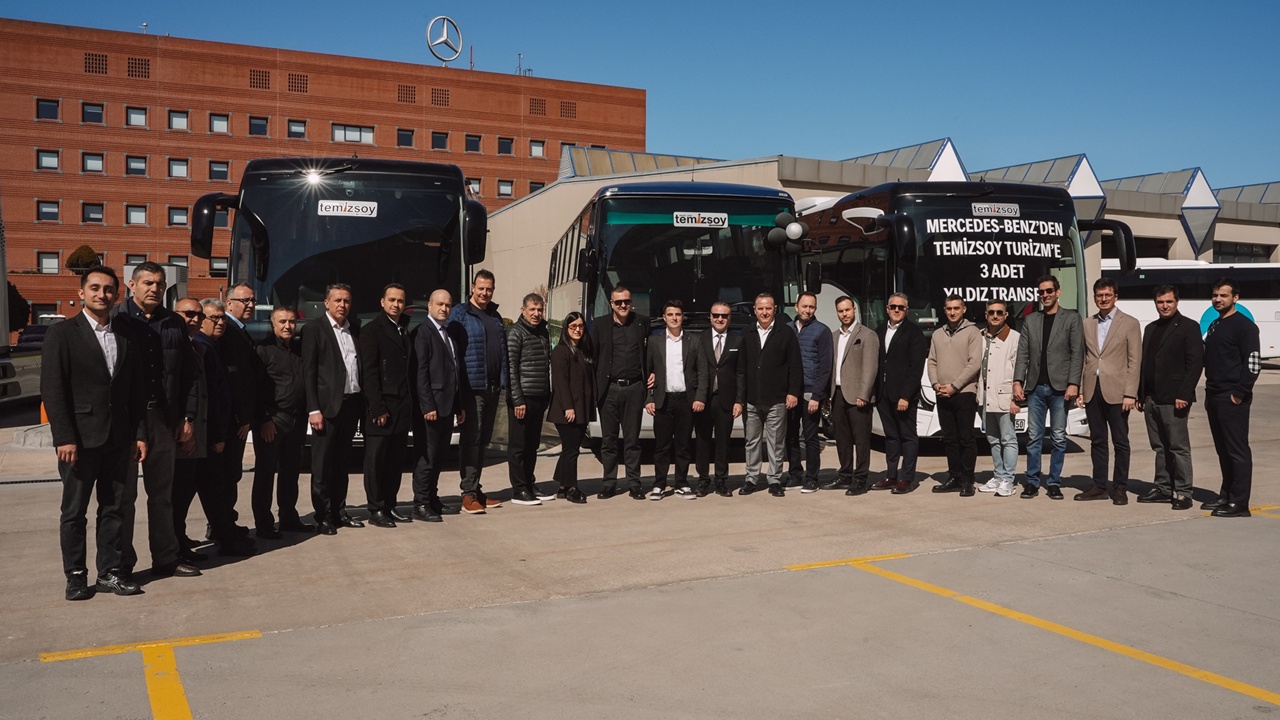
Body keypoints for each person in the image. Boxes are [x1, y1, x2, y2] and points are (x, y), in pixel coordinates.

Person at [42, 266, 148, 600]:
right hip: (79, 440)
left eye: (108, 289)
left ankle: (110, 573)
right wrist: (64, 437)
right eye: (95, 288)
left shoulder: (126, 335)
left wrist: (139, 434)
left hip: (119, 438)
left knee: (114, 509)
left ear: (117, 295)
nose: (102, 294)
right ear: (81, 293)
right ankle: (75, 575)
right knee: (74, 513)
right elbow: (53, 389)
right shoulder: (62, 334)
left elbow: (135, 391)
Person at [112, 262, 199, 579]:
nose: (154, 288)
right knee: (124, 497)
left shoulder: (173, 323)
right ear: (132, 285)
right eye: (148, 282)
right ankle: (122, 563)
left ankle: (166, 558)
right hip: (126, 419)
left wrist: (187, 416)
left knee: (162, 494)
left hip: (163, 417)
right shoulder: (116, 320)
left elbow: (190, 373)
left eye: (160, 284)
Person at [173, 299, 246, 559]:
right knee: (185, 494)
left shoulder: (204, 347)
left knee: (212, 489)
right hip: (191, 436)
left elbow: (216, 393)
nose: (194, 319)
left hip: (207, 433)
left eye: (198, 315)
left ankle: (224, 538)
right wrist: (209, 433)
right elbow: (200, 395)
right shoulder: (188, 347)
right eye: (188, 314)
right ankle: (181, 546)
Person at [1012, 275, 1083, 500]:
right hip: (1035, 388)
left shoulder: (1071, 318)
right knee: (1034, 437)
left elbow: (1077, 353)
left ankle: (1053, 482)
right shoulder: (1031, 320)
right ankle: (1032, 482)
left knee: (1059, 438)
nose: (1045, 295)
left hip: (1061, 388)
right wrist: (1017, 381)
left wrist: (1074, 383)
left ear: (1058, 292)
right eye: (1041, 292)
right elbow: (1023, 353)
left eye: (1049, 291)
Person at [303, 283, 365, 535]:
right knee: (322, 465)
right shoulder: (313, 330)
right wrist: (313, 409)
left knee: (342, 463)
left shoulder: (355, 329)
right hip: (326, 409)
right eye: (338, 300)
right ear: (326, 303)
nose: (342, 305)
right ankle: (323, 515)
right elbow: (309, 372)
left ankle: (339, 511)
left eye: (347, 301)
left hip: (350, 405)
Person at [1135, 285, 1203, 511]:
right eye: (1160, 302)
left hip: (1174, 399)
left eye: (1169, 301)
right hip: (1151, 398)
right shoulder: (1151, 328)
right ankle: (1163, 488)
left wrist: (1184, 394)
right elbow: (1145, 363)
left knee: (1178, 447)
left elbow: (1195, 363)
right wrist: (1141, 394)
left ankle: (1183, 492)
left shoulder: (1189, 327)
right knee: (1159, 447)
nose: (1164, 306)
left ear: (1177, 302)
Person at [1075, 278, 1142, 505]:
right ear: (1095, 298)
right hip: (1092, 390)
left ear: (1115, 297)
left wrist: (1130, 393)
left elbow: (1135, 361)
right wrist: (1081, 390)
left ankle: (1120, 487)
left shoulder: (1130, 323)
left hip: (1118, 392)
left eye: (1107, 295)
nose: (1103, 299)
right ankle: (1099, 485)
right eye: (1099, 295)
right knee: (1097, 440)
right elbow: (1084, 358)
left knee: (1120, 441)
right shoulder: (1088, 323)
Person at [251, 307, 314, 537]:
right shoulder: (263, 350)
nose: (288, 326)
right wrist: (264, 420)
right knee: (266, 473)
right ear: (273, 323)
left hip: (297, 419)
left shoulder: (299, 349)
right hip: (273, 420)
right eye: (282, 322)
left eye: (292, 321)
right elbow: (255, 389)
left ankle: (288, 517)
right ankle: (264, 524)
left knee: (290, 472)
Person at [357, 284, 416, 528]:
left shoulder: (404, 330)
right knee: (376, 461)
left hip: (402, 406)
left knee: (395, 460)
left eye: (400, 301)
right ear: (382, 302)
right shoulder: (371, 331)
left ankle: (390, 505)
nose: (396, 304)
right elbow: (369, 373)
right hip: (382, 408)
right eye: (392, 300)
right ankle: (376, 509)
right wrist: (377, 407)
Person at [1202, 278, 1261, 518]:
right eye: (1215, 295)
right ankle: (1226, 495)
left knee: (1237, 451)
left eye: (1223, 295)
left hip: (1232, 397)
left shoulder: (1245, 327)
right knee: (1223, 450)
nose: (1218, 299)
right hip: (1214, 394)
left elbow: (1253, 363)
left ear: (1235, 298)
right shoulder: (1215, 325)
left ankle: (1240, 502)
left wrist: (1240, 393)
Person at [449, 269, 507, 514]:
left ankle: (476, 488)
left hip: (492, 388)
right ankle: (468, 493)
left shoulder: (495, 315)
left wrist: (504, 381)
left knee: (483, 441)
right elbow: (453, 352)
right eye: (481, 288)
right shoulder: (460, 314)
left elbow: (502, 351)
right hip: (472, 388)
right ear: (472, 287)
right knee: (471, 440)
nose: (485, 293)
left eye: (489, 289)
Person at [736, 293, 802, 497]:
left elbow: (795, 366)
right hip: (752, 400)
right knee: (752, 441)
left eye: (768, 308)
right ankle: (751, 478)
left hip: (777, 399)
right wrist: (740, 398)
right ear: (754, 310)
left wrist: (793, 392)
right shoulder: (747, 332)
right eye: (760, 308)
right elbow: (741, 368)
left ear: (775, 309)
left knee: (776, 443)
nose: (764, 312)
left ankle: (774, 480)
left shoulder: (786, 333)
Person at [589, 286, 650, 500]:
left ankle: (634, 484)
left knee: (632, 441)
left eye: (627, 301)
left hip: (634, 389)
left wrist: (651, 375)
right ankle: (609, 483)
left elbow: (649, 353)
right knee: (609, 441)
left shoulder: (642, 323)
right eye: (618, 302)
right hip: (609, 390)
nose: (623, 305)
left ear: (631, 302)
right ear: (611, 304)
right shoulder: (600, 325)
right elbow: (593, 358)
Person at [646, 299, 708, 499]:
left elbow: (703, 371)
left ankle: (682, 482)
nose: (674, 318)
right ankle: (659, 484)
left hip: (686, 401)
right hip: (663, 400)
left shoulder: (694, 341)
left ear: (683, 317)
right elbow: (646, 371)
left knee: (683, 445)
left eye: (678, 314)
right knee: (661, 446)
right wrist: (648, 398)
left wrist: (700, 397)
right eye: (670, 314)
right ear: (664, 318)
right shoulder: (654, 341)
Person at [218, 282, 268, 532]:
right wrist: (241, 417)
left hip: (239, 418)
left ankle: (227, 522)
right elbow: (232, 380)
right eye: (244, 300)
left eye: (252, 301)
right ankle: (223, 525)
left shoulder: (240, 330)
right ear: (228, 303)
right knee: (227, 474)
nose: (250, 305)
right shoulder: (227, 330)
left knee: (232, 473)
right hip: (232, 420)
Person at [413, 289, 466, 521]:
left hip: (447, 405)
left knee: (439, 457)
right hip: (432, 408)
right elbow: (421, 372)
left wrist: (458, 405)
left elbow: (454, 372)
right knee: (427, 457)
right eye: (440, 304)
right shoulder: (423, 333)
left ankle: (432, 499)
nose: (444, 308)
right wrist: (427, 406)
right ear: (429, 306)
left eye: (448, 305)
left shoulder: (448, 333)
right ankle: (421, 503)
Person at [871, 293, 928, 494]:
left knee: (908, 437)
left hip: (904, 397)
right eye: (893, 307)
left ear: (907, 310)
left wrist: (906, 396)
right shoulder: (878, 331)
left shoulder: (914, 333)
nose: (897, 310)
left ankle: (906, 479)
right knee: (891, 437)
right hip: (883, 395)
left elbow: (916, 368)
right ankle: (891, 475)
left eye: (901, 307)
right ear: (887, 309)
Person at [927, 294, 983, 496]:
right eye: (949, 309)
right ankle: (954, 477)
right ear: (944, 310)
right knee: (949, 438)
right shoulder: (937, 334)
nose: (952, 312)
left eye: (956, 308)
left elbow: (974, 363)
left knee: (966, 437)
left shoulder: (973, 332)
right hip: (942, 392)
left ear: (964, 309)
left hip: (964, 392)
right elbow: (932, 361)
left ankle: (968, 480)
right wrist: (935, 383)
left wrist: (955, 386)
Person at [828, 296, 880, 495]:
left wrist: (864, 394)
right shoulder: (834, 336)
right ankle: (844, 475)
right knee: (842, 438)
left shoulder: (867, 335)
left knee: (862, 439)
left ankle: (860, 479)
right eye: (840, 311)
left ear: (854, 309)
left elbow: (870, 367)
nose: (844, 314)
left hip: (858, 396)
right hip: (837, 393)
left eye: (847, 310)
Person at [506, 293, 553, 506]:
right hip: (522, 399)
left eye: (539, 309)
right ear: (523, 310)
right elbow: (511, 369)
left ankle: (529, 483)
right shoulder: (515, 333)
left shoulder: (543, 331)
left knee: (532, 445)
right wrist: (517, 400)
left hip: (539, 397)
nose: (536, 313)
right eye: (532, 309)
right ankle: (519, 489)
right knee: (518, 446)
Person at [973, 300, 1022, 497]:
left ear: (1006, 315)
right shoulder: (980, 336)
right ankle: (998, 476)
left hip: (1005, 396)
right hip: (984, 396)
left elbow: (1020, 369)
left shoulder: (1014, 338)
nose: (995, 316)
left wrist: (1016, 399)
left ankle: (1008, 480)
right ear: (986, 315)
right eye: (991, 312)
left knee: (1008, 439)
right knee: (993, 439)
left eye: (999, 312)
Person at [785, 292, 833, 492]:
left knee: (811, 437)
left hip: (810, 393)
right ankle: (795, 475)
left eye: (811, 307)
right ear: (796, 307)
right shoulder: (786, 329)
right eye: (804, 306)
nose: (807, 310)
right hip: (790, 392)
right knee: (790, 436)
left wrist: (817, 396)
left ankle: (812, 478)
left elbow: (825, 367)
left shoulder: (822, 331)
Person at [694, 301, 741, 498]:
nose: (720, 319)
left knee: (723, 442)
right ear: (710, 317)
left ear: (729, 318)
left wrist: (739, 400)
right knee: (702, 441)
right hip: (703, 399)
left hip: (726, 400)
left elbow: (740, 373)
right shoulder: (700, 339)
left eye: (724, 316)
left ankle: (721, 480)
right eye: (716, 315)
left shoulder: (737, 340)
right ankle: (703, 480)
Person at [548, 312, 594, 504]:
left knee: (570, 448)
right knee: (572, 450)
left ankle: (562, 486)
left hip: (582, 407)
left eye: (580, 326)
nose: (577, 330)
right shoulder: (560, 351)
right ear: (566, 329)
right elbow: (560, 382)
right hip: (566, 409)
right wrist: (568, 407)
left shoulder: (583, 350)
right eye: (573, 326)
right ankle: (572, 488)